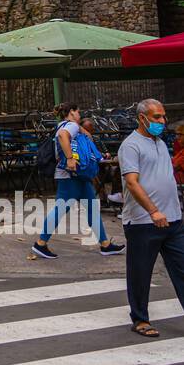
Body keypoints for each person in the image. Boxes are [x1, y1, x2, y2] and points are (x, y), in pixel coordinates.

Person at [117, 98, 184, 338]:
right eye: (157, 117)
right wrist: (153, 211)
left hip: (173, 221)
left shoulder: (160, 143)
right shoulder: (131, 146)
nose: (162, 122)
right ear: (142, 118)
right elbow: (132, 183)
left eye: (163, 117)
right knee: (140, 272)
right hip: (143, 222)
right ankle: (140, 319)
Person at [31, 102, 124, 260]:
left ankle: (105, 244)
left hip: (77, 177)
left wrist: (82, 130)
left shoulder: (66, 125)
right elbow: (63, 136)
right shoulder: (70, 127)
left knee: (92, 209)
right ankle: (40, 243)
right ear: (72, 113)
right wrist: (70, 159)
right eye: (78, 112)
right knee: (61, 209)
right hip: (70, 176)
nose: (80, 115)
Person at [173, 123, 184, 188]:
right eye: (177, 135)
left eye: (180, 135)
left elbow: (175, 167)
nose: (177, 138)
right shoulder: (182, 150)